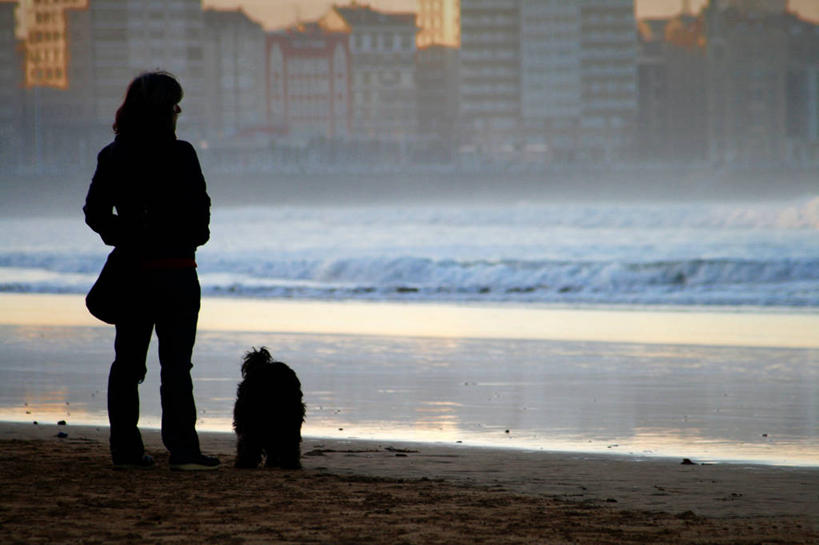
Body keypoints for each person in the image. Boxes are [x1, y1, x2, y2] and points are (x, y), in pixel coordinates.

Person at [84, 71, 219, 470]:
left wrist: (126, 235)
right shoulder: (181, 154)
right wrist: (188, 237)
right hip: (177, 273)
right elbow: (201, 214)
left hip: (134, 272)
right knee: (176, 366)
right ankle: (183, 451)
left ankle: (125, 451)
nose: (179, 110)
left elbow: (94, 213)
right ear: (164, 110)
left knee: (128, 364)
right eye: (174, 104)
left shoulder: (114, 154)